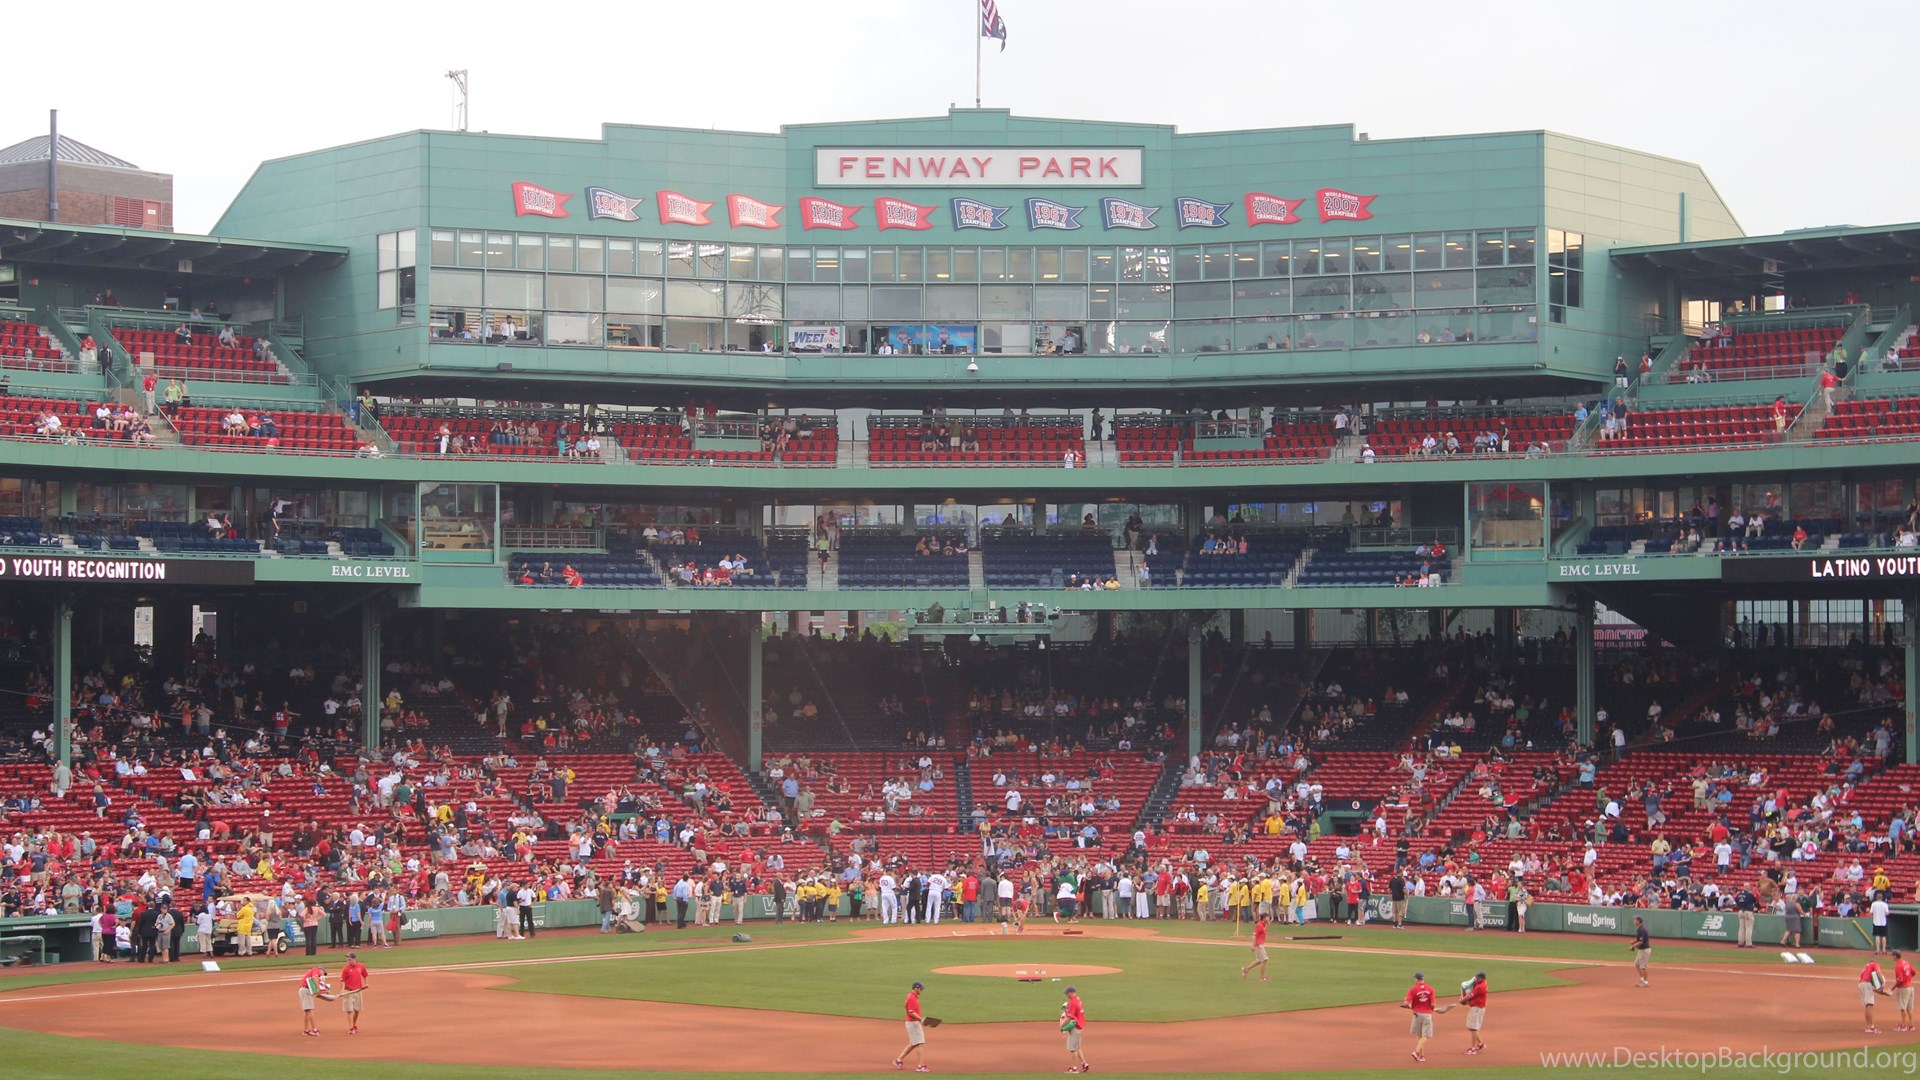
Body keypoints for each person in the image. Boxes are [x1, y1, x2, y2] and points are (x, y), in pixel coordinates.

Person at [1401, 971, 1437, 1062]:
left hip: (1417, 1014)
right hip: (1427, 1014)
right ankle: (1417, 1052)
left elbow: (1406, 1003)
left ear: (1417, 979)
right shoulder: (1431, 989)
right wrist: (1432, 1009)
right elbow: (1432, 1004)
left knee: (1419, 1035)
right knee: (1425, 1035)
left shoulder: (1413, 989)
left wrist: (1405, 1005)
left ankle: (1421, 1056)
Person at [895, 979, 929, 1072]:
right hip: (912, 1023)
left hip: (913, 1022)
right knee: (920, 1043)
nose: (921, 991)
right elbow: (911, 1012)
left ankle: (898, 1060)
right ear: (916, 988)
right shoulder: (912, 998)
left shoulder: (913, 996)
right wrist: (920, 1019)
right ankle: (920, 1066)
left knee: (913, 1043)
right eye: (921, 989)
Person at [1061, 985, 1089, 1073]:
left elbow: (1069, 1017)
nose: (1066, 994)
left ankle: (1074, 1068)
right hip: (1080, 1025)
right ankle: (1084, 1063)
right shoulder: (1078, 999)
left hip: (1075, 1027)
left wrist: (1062, 1025)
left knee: (1072, 1048)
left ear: (1071, 992)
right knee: (1077, 1047)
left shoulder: (1073, 1002)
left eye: (1067, 993)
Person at [298, 964, 332, 1036]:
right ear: (321, 970)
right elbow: (315, 979)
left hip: (305, 990)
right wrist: (319, 988)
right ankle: (314, 1029)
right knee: (310, 1010)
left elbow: (318, 990)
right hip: (305, 990)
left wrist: (326, 991)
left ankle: (306, 1030)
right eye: (323, 973)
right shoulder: (315, 970)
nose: (322, 975)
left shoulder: (317, 978)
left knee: (307, 1011)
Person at [340, 950, 369, 1034]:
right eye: (347, 960)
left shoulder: (361, 967)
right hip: (348, 992)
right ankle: (351, 1027)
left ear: (354, 959)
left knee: (357, 1010)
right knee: (349, 1010)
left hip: (358, 991)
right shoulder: (345, 969)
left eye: (349, 959)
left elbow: (365, 975)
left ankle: (354, 1024)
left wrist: (366, 983)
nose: (348, 961)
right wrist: (342, 991)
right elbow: (342, 981)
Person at [1461, 971, 1488, 1055]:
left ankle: (1473, 1049)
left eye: (1479, 978)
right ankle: (1480, 1044)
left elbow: (1470, 995)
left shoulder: (1480, 987)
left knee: (1473, 1028)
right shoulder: (1483, 982)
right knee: (1471, 1027)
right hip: (1476, 1008)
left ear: (1483, 979)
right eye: (1477, 977)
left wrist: (1462, 1000)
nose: (1477, 979)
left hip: (1477, 1008)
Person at [1862, 957, 1892, 1034]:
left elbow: (1873, 988)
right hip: (1866, 985)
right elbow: (1878, 972)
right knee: (1870, 1005)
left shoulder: (1866, 970)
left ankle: (1868, 1027)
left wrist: (1885, 993)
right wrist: (1883, 983)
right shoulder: (1874, 964)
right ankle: (1871, 1027)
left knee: (1868, 1005)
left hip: (1862, 985)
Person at [1240, 913, 1271, 981]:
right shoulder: (1259, 925)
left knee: (1259, 961)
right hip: (1259, 945)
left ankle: (1245, 969)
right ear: (1264, 918)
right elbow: (1254, 936)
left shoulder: (1263, 925)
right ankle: (1262, 977)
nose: (1269, 918)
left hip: (1260, 944)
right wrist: (1253, 945)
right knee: (1264, 960)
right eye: (1267, 917)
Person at [1895, 950, 1917, 1033]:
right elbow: (1914, 972)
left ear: (1895, 957)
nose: (1892, 957)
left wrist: (1893, 988)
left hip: (1903, 988)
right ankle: (1911, 1025)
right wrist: (1908, 978)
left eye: (1892, 955)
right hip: (1910, 987)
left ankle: (1903, 1026)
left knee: (1902, 1007)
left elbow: (1900, 980)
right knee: (1909, 1008)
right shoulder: (1906, 962)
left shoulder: (1898, 966)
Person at [1630, 916, 1651, 987]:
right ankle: (1642, 979)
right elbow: (1639, 939)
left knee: (1643, 967)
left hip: (1644, 950)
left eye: (1635, 920)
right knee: (1637, 964)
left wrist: (1633, 947)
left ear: (1638, 921)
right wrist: (1634, 941)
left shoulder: (1641, 929)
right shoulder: (1640, 929)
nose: (1634, 921)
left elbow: (1641, 942)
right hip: (1641, 950)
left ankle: (1645, 982)